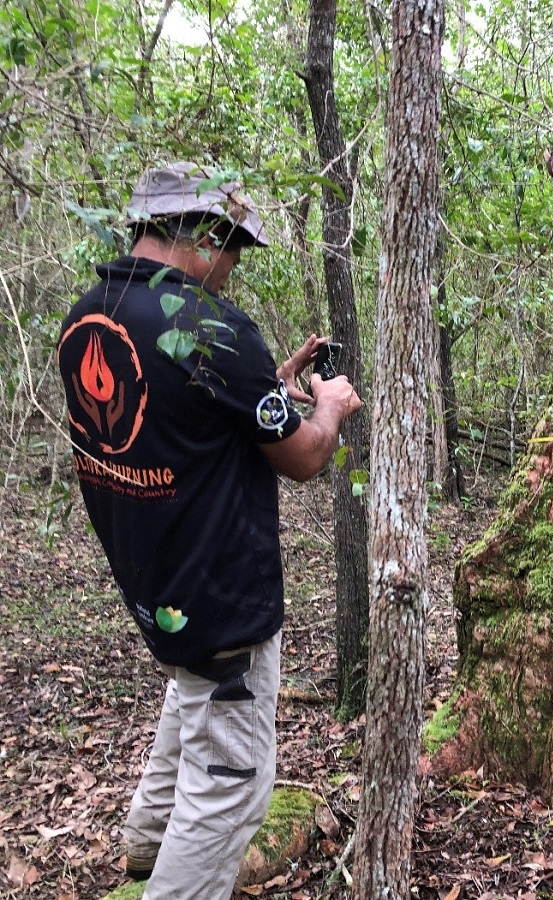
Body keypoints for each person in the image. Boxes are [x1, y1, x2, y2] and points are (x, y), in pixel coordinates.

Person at [56, 161, 362, 897]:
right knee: (234, 790)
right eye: (229, 250)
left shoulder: (88, 314)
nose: (228, 271)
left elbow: (185, 422)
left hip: (156, 586)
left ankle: (145, 843)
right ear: (202, 235)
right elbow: (303, 458)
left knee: (190, 689)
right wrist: (330, 408)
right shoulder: (208, 327)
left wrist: (269, 385)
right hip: (222, 595)